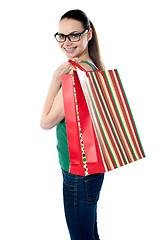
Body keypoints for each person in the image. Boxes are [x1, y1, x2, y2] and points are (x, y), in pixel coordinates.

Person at [40, 9, 105, 240]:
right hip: (93, 168)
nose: (66, 42)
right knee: (89, 234)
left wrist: (55, 80)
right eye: (62, 36)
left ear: (88, 34)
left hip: (78, 172)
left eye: (74, 35)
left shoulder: (75, 75)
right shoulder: (94, 68)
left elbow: (46, 121)